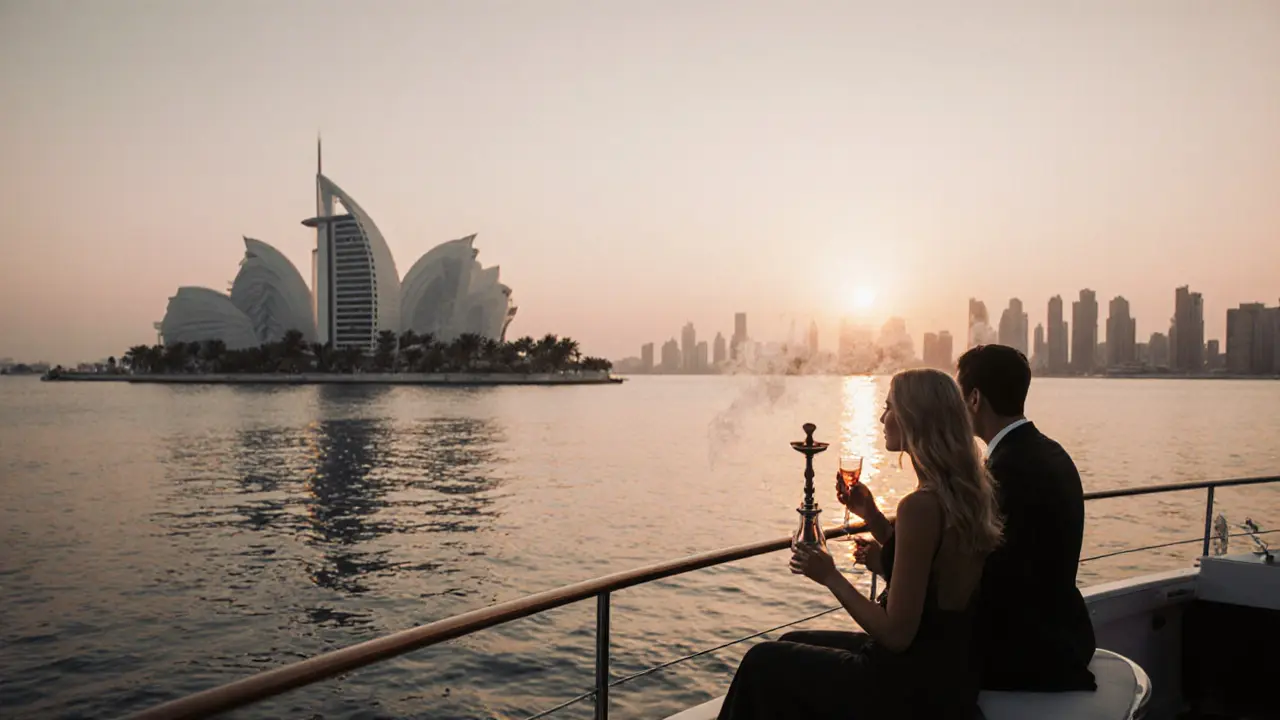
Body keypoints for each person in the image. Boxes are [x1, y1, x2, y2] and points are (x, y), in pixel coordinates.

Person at [717, 369, 1003, 720]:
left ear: (915, 418)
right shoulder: (963, 497)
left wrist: (830, 576)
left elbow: (896, 634)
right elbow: (930, 567)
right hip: (948, 672)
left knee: (760, 660)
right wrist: (871, 514)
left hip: (906, 685)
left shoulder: (920, 506)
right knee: (788, 641)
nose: (882, 418)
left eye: (889, 407)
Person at [956, 344, 1097, 691]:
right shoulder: (1051, 452)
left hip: (1021, 655)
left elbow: (990, 576)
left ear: (974, 398)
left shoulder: (1004, 470)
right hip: (1066, 635)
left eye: (960, 396)